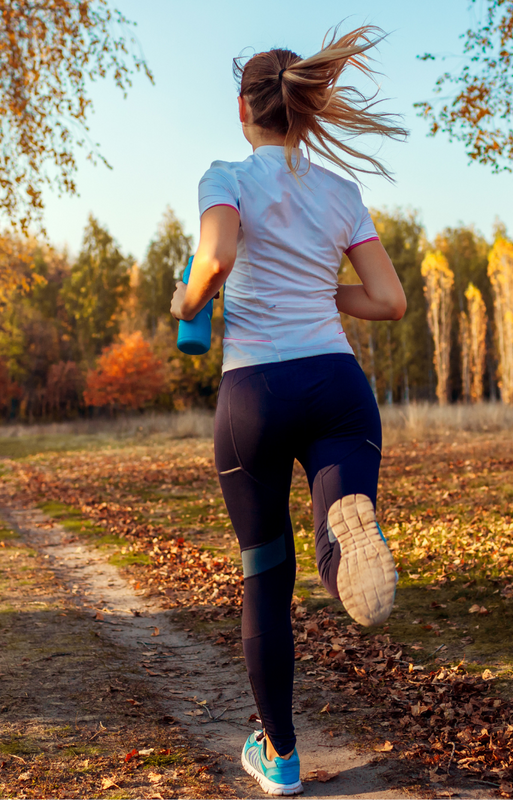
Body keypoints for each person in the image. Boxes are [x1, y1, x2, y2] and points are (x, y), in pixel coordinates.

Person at [169, 24, 408, 797]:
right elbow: (389, 300)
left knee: (265, 573)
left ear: (245, 108)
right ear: (304, 113)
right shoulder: (340, 192)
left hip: (257, 395)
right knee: (343, 507)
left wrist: (187, 297)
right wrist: (317, 291)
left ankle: (281, 757)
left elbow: (217, 258)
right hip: (338, 387)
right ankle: (347, 531)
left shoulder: (225, 176)